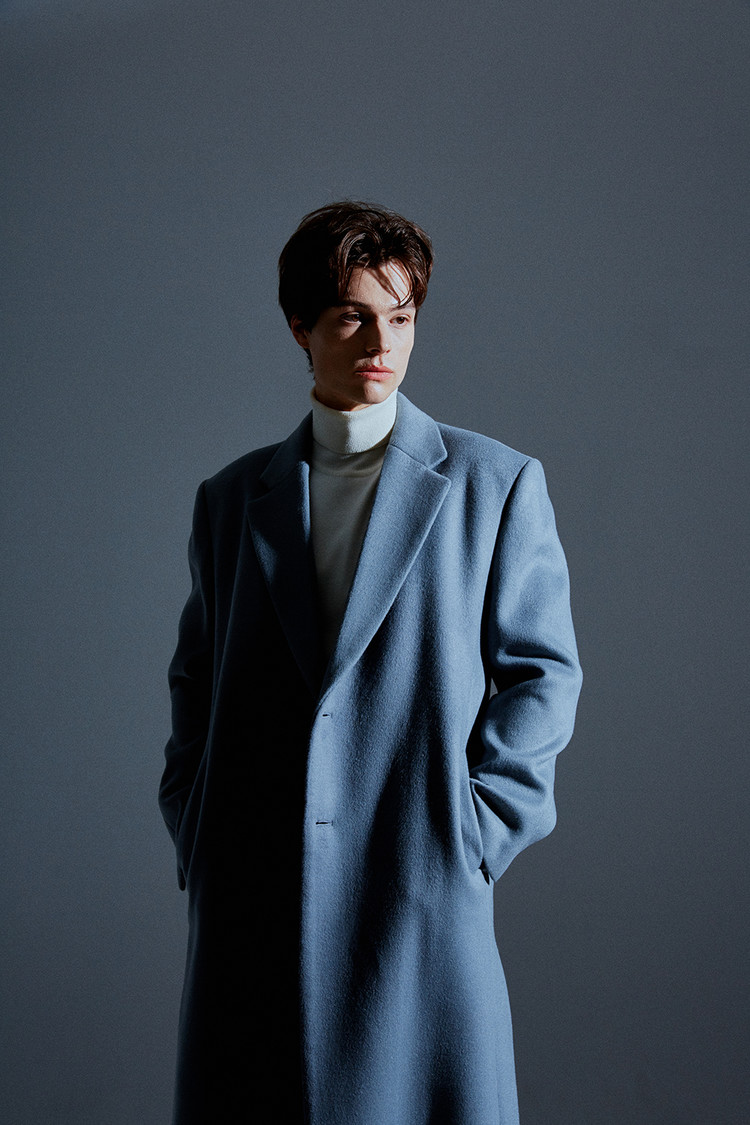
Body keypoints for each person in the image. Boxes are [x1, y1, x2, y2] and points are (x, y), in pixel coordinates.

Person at [159, 201, 582, 1124]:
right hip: (254, 891)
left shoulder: (493, 483)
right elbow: (195, 679)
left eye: (402, 316)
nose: (382, 342)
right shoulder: (231, 499)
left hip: (419, 878)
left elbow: (544, 674)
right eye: (353, 315)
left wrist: (477, 829)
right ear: (300, 325)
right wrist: (198, 824)